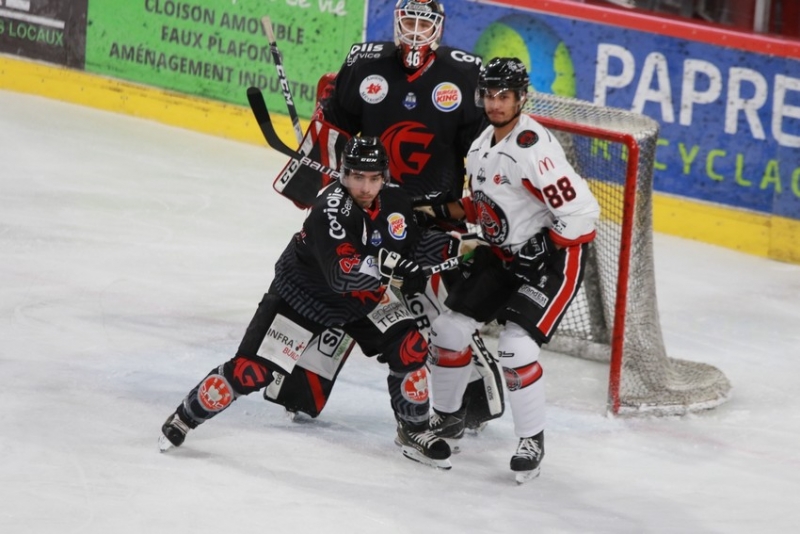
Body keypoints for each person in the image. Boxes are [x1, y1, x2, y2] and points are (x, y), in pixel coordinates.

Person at [271, 0, 504, 436]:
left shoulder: (465, 75)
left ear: (438, 27)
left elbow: (486, 150)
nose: (415, 30)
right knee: (342, 293)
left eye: (424, 21)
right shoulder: (364, 63)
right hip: (369, 206)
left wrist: (480, 207)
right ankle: (299, 391)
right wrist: (309, 176)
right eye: (408, 19)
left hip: (431, 214)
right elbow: (332, 125)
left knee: (432, 309)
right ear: (397, 21)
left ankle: (473, 402)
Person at [160, 136, 452, 469]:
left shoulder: (395, 201)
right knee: (250, 371)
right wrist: (393, 268)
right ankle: (186, 416)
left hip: (363, 300)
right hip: (303, 299)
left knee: (410, 348)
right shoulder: (329, 209)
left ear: (384, 176)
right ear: (344, 174)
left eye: (373, 178)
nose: (366, 187)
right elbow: (341, 275)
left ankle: (413, 429)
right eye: (358, 177)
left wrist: (453, 249)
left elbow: (413, 240)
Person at [426, 57, 600, 482]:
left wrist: (543, 245)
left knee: (515, 347)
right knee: (449, 331)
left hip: (554, 260)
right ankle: (447, 418)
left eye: (504, 95)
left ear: (521, 97)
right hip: (505, 255)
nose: (495, 103)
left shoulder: (533, 148)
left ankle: (531, 440)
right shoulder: (482, 144)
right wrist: (429, 211)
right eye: (489, 94)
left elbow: (583, 213)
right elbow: (481, 209)